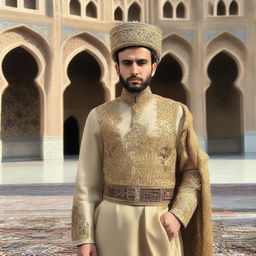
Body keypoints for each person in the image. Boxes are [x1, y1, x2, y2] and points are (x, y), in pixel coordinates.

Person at [71, 21, 213, 256]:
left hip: (161, 224)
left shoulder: (176, 113)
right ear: (116, 68)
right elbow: (86, 185)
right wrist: (85, 237)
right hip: (111, 224)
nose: (134, 70)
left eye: (141, 62)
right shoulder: (99, 116)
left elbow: (193, 172)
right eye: (127, 63)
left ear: (153, 67)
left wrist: (178, 213)